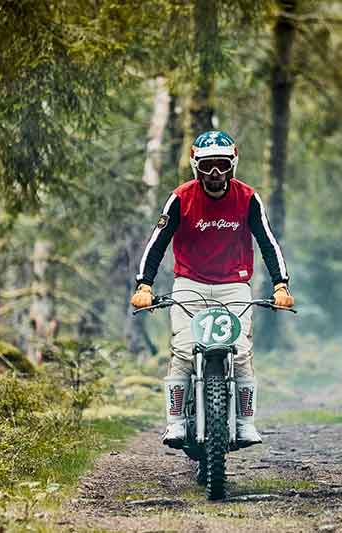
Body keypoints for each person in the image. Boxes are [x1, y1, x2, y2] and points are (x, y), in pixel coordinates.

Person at [130, 130, 295, 449]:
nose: (215, 173)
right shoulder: (181, 197)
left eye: (221, 165)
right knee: (183, 350)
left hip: (235, 286)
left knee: (242, 352)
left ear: (232, 164)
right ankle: (175, 422)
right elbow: (157, 242)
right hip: (189, 285)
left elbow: (268, 243)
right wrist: (144, 284)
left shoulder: (247, 198)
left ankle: (245, 423)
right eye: (207, 166)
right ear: (196, 167)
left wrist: (280, 285)